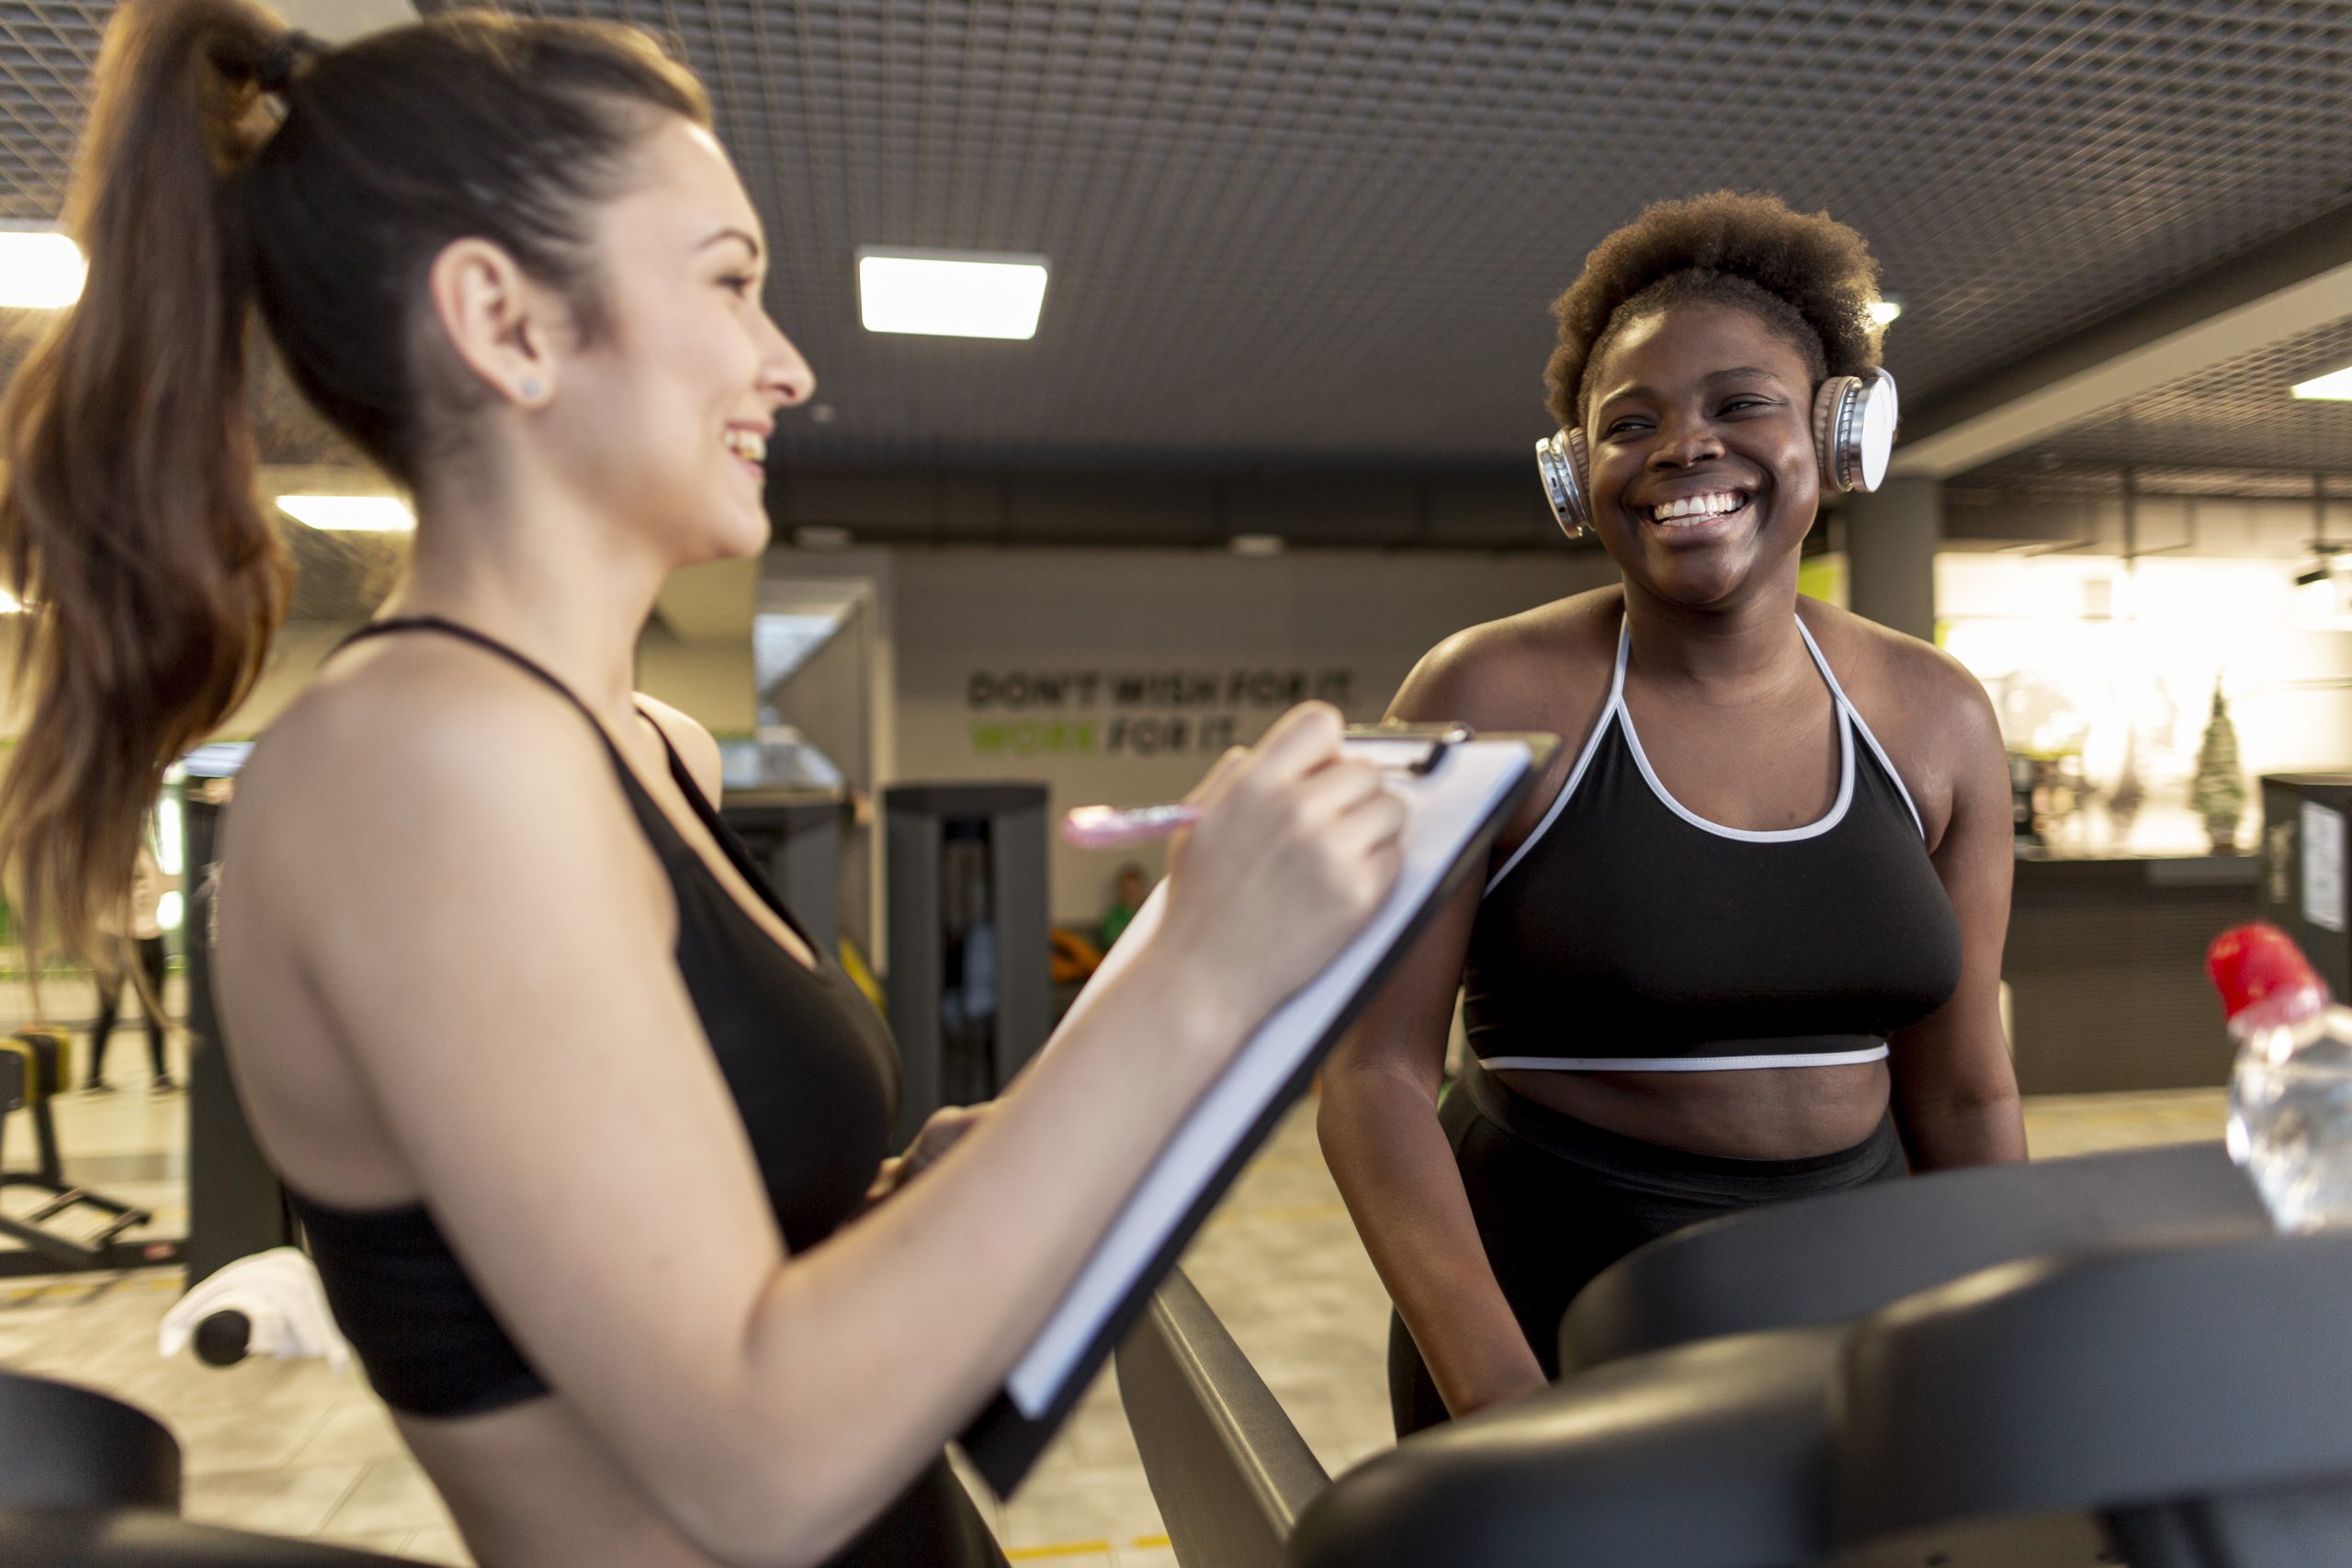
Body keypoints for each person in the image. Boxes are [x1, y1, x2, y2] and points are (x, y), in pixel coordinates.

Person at [0, 5, 1407, 1565]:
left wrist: (915, 1195)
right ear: (507, 321)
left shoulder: (639, 740)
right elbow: (753, 1466)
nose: (786, 362)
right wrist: (1201, 975)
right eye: (730, 281)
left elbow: (667, 1274)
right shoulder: (416, 767)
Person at [1317, 192, 2027, 1438]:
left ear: (1839, 433)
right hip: (1556, 1301)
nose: (1681, 446)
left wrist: (2015, 1346)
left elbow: (1964, 1097)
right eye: (1627, 422)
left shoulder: (1938, 714)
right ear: (1575, 478)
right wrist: (1497, 1393)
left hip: (1850, 1297)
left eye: (1739, 402)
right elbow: (1373, 1074)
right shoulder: (1481, 695)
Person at [84, 841, 179, 1093]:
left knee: (152, 1010)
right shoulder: (108, 856)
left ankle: (159, 1075)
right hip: (117, 938)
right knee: (110, 1009)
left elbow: (159, 886)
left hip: (144, 937)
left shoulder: (142, 855)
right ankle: (94, 1077)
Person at [1102, 862, 1149, 948]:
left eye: (1135, 889)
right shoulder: (1114, 915)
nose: (1131, 893)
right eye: (1127, 889)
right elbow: (1113, 939)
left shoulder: (1149, 911)